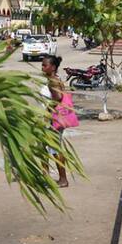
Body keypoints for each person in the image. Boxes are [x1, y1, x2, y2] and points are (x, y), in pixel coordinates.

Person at [41, 54, 69, 187]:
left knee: (54, 149)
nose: (42, 67)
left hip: (52, 120)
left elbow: (57, 98)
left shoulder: (53, 81)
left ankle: (63, 179)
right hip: (52, 119)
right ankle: (46, 177)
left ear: (52, 67)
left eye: (44, 65)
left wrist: (48, 112)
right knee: (44, 147)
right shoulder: (55, 79)